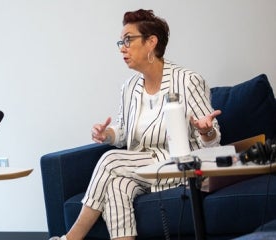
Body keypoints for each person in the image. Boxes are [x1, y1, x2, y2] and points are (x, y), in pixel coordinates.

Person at [50, 9, 222, 240]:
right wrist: (107, 134)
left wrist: (206, 130)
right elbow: (123, 133)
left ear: (151, 42)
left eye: (129, 40)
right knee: (116, 187)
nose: (123, 47)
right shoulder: (130, 87)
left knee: (110, 160)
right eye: (121, 41)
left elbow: (214, 138)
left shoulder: (187, 80)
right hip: (141, 167)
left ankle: (71, 238)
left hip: (179, 165)